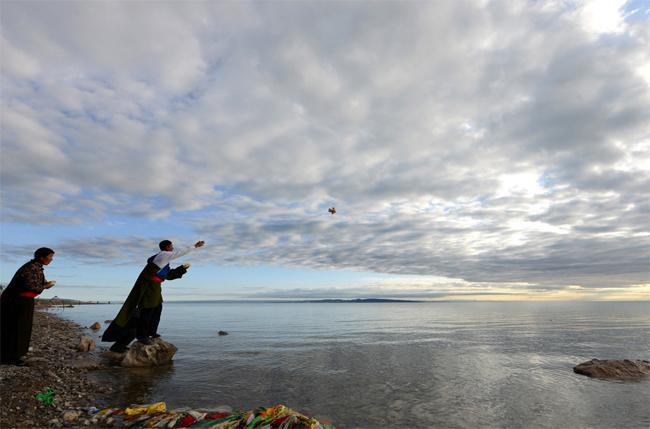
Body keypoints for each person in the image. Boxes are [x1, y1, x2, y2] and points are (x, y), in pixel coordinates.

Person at [102, 240, 204, 352]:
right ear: (166, 247)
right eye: (171, 246)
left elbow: (168, 275)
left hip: (155, 286)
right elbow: (180, 252)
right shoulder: (163, 255)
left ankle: (151, 332)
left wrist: (182, 268)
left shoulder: (164, 261)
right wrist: (194, 246)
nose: (172, 248)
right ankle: (142, 336)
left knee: (157, 308)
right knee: (148, 310)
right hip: (150, 286)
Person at [1, 248, 56, 365]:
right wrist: (46, 286)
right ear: (41, 257)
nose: (51, 259)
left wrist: (45, 284)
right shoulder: (31, 267)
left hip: (23, 300)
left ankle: (13, 355)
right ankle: (11, 357)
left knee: (21, 327)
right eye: (50, 256)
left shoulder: (36, 267)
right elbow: (32, 286)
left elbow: (38, 283)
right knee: (17, 327)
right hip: (17, 300)